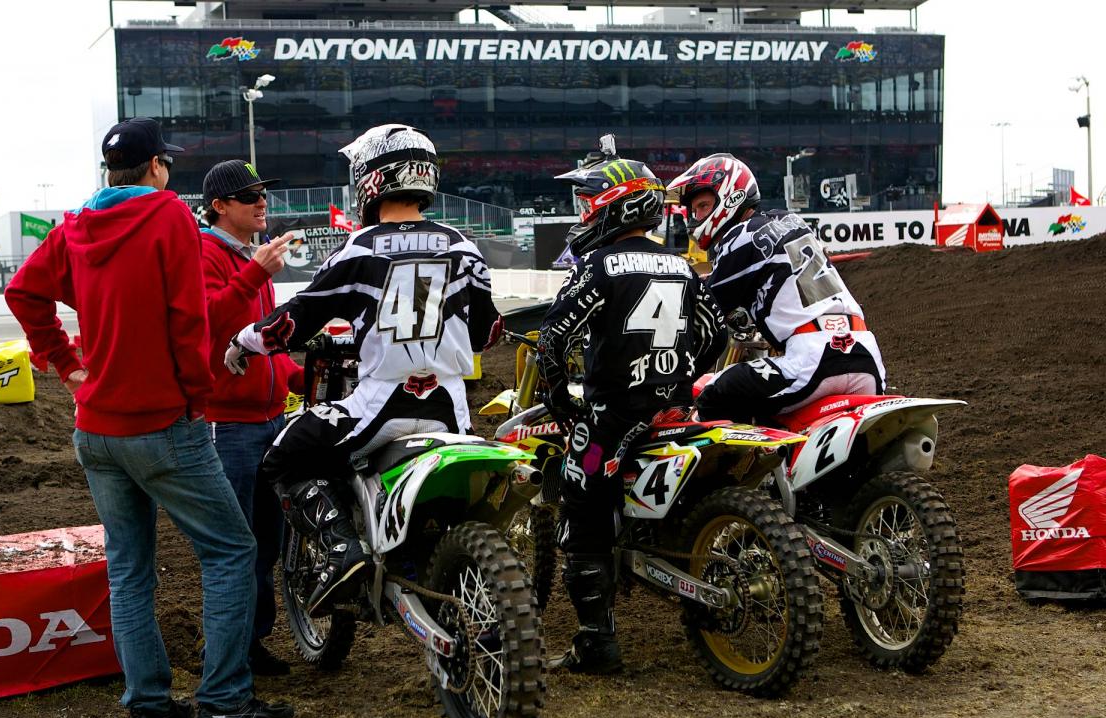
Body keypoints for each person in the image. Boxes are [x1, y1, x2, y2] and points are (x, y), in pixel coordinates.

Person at [4, 117, 293, 718]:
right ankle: (223, 700)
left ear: (112, 171)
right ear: (158, 167)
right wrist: (198, 394)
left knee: (129, 568)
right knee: (231, 551)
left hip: (96, 430)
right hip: (164, 423)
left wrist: (65, 362)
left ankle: (148, 703)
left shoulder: (78, 223)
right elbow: (189, 319)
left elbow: (22, 292)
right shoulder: (167, 216)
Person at [224, 123, 501, 616]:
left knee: (282, 456)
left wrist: (242, 342)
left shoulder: (363, 245)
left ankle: (340, 549)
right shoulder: (463, 244)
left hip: (381, 404)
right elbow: (485, 331)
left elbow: (293, 321)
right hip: (451, 409)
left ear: (370, 178)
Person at [536, 139, 726, 674]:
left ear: (613, 205)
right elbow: (715, 332)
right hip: (674, 407)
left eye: (586, 201)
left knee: (581, 508)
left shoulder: (599, 264)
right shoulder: (683, 264)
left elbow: (553, 338)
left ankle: (597, 642)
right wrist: (680, 366)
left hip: (613, 416)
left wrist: (555, 394)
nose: (581, 212)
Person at [667, 153, 886, 422]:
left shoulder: (741, 236)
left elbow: (703, 310)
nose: (697, 216)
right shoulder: (792, 221)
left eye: (702, 206)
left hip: (814, 359)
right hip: (867, 357)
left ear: (730, 196)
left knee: (715, 391)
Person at [200, 159, 304, 676]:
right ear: (219, 206)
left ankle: (250, 641)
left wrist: (294, 376)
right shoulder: (206, 253)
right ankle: (226, 652)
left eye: (262, 192)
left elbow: (262, 341)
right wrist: (254, 273)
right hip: (227, 424)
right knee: (236, 544)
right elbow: (212, 325)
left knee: (265, 539)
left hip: (264, 418)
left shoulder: (247, 257)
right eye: (248, 196)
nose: (261, 201)